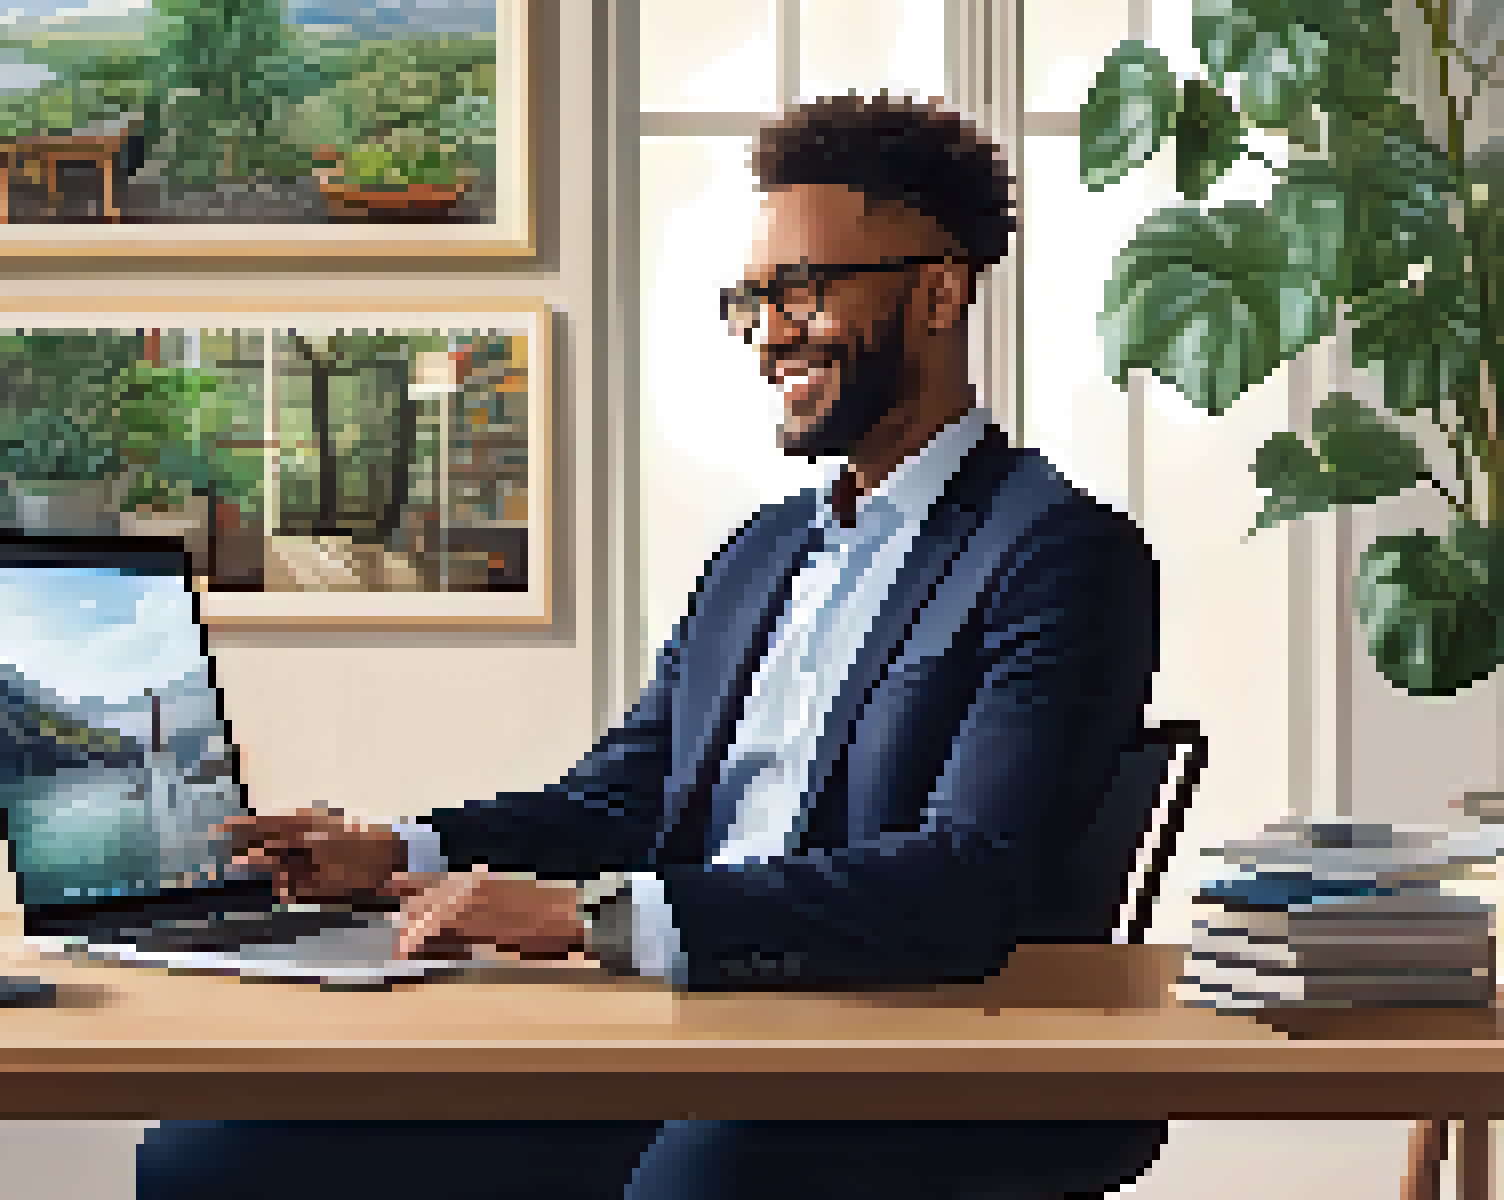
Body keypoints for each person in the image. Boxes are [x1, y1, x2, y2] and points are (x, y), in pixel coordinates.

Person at [135, 92, 1172, 1200]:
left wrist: (590, 920)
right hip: (677, 1036)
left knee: (692, 1185)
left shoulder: (1058, 554)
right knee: (212, 1153)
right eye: (753, 299)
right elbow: (616, 805)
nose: (771, 331)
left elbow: (964, 881)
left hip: (883, 1057)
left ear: (938, 290)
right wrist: (396, 854)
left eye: (804, 290)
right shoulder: (760, 557)